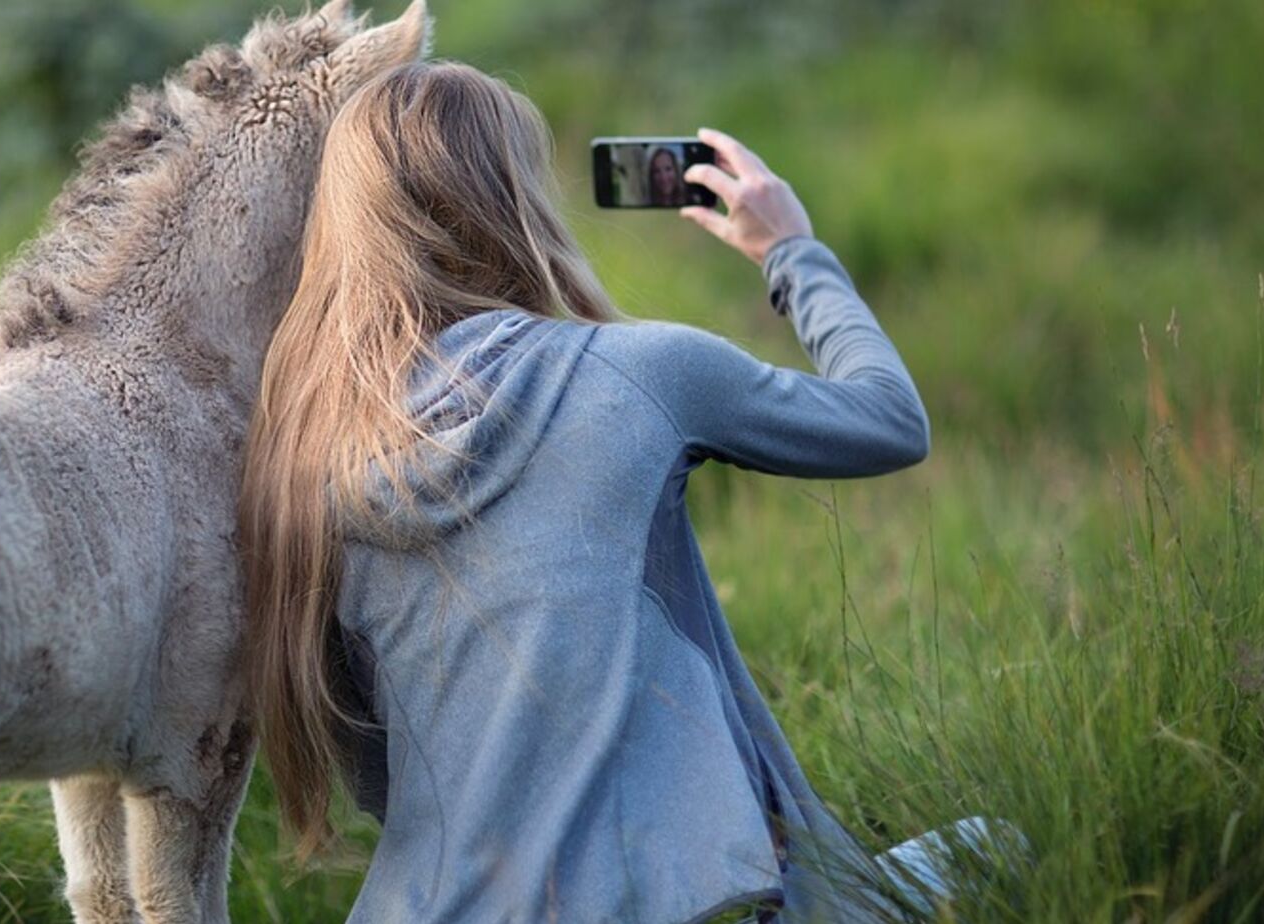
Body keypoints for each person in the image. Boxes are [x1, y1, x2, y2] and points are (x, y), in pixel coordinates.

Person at [239, 61, 990, 923]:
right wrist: (791, 250)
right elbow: (890, 419)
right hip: (680, 904)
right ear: (513, 200)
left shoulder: (306, 463)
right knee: (994, 841)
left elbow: (376, 777)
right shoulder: (643, 373)